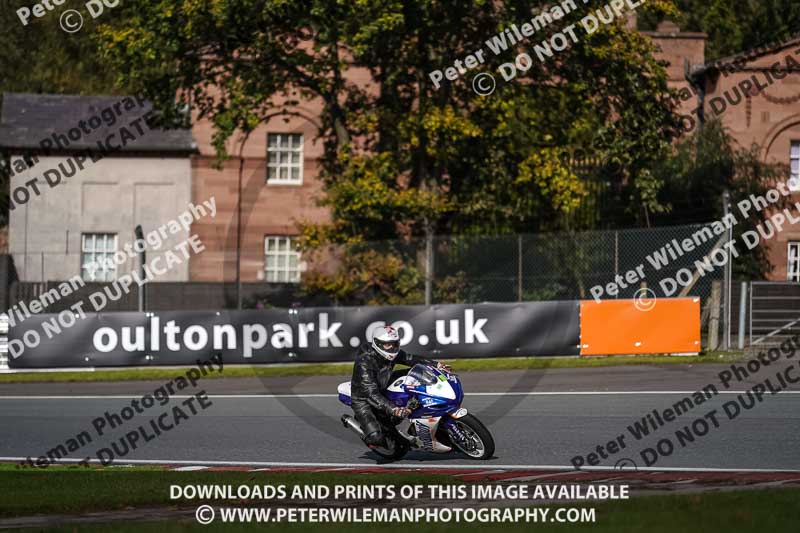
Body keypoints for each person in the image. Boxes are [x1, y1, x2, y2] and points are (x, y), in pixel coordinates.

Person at [350, 325, 452, 448]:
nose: (392, 347)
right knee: (376, 439)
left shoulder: (391, 352)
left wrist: (436, 365)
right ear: (378, 344)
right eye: (388, 344)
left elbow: (410, 358)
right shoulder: (365, 363)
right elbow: (372, 393)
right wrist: (393, 408)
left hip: (384, 381)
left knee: (417, 373)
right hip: (365, 398)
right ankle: (366, 431)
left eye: (394, 343)